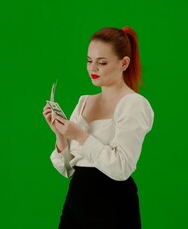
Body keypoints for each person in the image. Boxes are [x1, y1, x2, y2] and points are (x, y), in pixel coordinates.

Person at [42, 26, 155, 229]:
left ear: (124, 63)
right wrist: (60, 135)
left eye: (101, 63)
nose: (92, 68)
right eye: (89, 60)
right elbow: (68, 170)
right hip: (76, 203)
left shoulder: (134, 104)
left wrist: (80, 134)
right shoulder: (84, 102)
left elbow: (121, 168)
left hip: (113, 206)